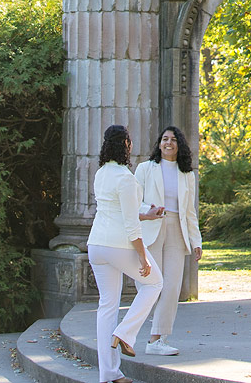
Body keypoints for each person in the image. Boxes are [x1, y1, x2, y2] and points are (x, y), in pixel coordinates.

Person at [87, 124, 163, 383]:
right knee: (154, 283)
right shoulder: (126, 178)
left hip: (96, 245)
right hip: (119, 245)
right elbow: (131, 225)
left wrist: (147, 213)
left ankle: (109, 374)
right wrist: (143, 257)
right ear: (126, 145)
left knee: (107, 306)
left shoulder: (101, 173)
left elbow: (119, 210)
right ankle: (125, 334)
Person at [134, 125, 203, 356]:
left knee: (172, 286)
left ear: (179, 145)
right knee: (151, 284)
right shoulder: (145, 169)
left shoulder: (187, 174)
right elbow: (133, 201)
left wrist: (196, 241)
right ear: (159, 143)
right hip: (152, 226)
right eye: (165, 139)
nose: (168, 143)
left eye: (173, 139)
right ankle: (128, 332)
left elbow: (190, 211)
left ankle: (157, 340)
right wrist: (149, 210)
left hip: (177, 230)